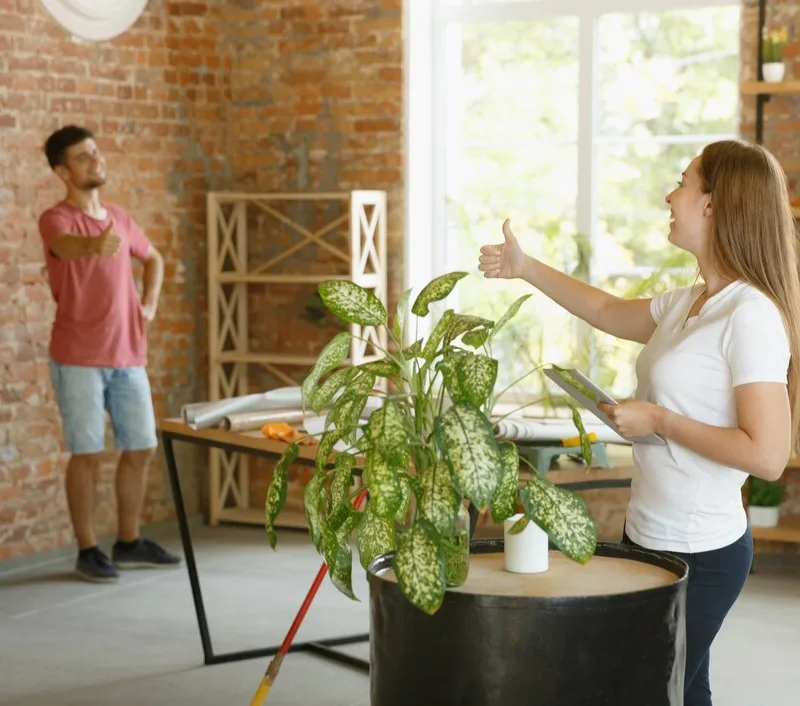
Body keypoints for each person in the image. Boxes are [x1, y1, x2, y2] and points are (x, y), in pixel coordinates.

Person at [478, 138, 800, 706]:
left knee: (639, 682)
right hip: (648, 534)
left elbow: (768, 454)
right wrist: (525, 268)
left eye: (683, 181)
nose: (669, 195)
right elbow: (604, 310)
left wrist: (660, 419)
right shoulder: (690, 302)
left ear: (713, 204)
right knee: (681, 685)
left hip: (704, 553)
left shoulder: (750, 315)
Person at [38, 125, 181, 583]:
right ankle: (87, 550)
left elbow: (153, 258)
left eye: (96, 153)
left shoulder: (119, 216)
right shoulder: (57, 219)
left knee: (141, 446)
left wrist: (151, 303)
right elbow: (64, 246)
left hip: (127, 355)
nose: (95, 161)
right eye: (83, 157)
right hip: (78, 356)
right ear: (63, 171)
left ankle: (128, 541)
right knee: (87, 452)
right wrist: (93, 245)